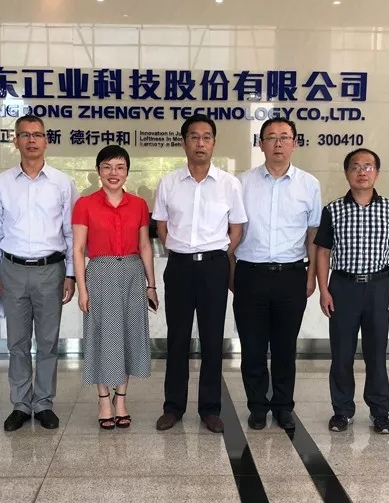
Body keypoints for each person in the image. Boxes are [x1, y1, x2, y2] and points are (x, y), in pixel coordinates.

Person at [152, 114, 247, 434]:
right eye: (194, 137)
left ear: (214, 143)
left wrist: (218, 254)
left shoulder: (229, 184)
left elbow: (237, 229)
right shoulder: (168, 182)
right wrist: (179, 250)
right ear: (184, 143)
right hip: (179, 266)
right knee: (177, 338)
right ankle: (173, 407)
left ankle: (210, 409)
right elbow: (161, 226)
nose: (200, 143)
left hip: (214, 266)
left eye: (207, 137)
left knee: (211, 338)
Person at [0, 115, 79, 432]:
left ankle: (44, 403)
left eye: (37, 134)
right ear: (15, 141)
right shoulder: (1, 183)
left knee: (48, 342)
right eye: (24, 135)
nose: (31, 140)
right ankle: (21, 404)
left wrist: (70, 275)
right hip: (11, 270)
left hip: (51, 270)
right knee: (17, 342)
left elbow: (71, 233)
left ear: (46, 140)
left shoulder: (62, 183)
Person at [232, 118, 321, 431]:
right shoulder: (241, 183)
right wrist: (233, 273)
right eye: (271, 137)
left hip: (291, 275)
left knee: (285, 347)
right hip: (250, 274)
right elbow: (232, 231)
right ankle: (257, 406)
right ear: (261, 144)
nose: (278, 143)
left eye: (285, 137)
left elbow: (313, 233)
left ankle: (283, 406)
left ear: (294, 143)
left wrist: (311, 274)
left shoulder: (309, 184)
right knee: (252, 347)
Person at [315, 148, 389, 434]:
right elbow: (323, 252)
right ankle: (342, 411)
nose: (362, 172)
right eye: (355, 166)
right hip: (342, 287)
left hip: (379, 287)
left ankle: (380, 412)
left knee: (376, 353)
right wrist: (323, 290)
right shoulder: (333, 210)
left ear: (377, 173)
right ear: (347, 173)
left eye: (368, 167)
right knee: (341, 352)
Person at [72, 145, 158, 429]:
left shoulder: (139, 204)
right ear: (98, 171)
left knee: (128, 336)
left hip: (132, 273)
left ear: (127, 172)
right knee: (102, 336)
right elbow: (78, 249)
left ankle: (121, 399)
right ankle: (103, 401)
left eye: (120, 167)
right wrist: (82, 289)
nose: (113, 173)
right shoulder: (85, 204)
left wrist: (151, 285)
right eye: (107, 167)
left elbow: (144, 246)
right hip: (100, 272)